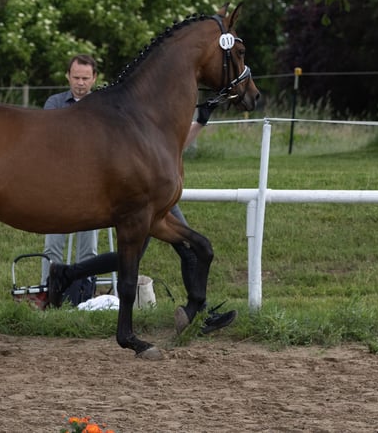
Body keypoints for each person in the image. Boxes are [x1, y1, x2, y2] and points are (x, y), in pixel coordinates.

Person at [45, 101, 237, 333]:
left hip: (157, 193)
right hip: (149, 196)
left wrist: (200, 122)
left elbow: (176, 148)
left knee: (137, 256)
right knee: (187, 248)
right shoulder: (146, 115)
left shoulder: (156, 114)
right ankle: (199, 315)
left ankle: (66, 273)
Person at [40, 54, 100, 285]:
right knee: (52, 246)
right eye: (76, 77)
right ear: (68, 76)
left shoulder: (102, 104)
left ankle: (84, 293)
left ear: (94, 78)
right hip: (59, 184)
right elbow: (51, 139)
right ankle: (48, 290)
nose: (80, 83)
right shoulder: (54, 103)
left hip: (92, 185)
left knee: (89, 248)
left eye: (85, 78)